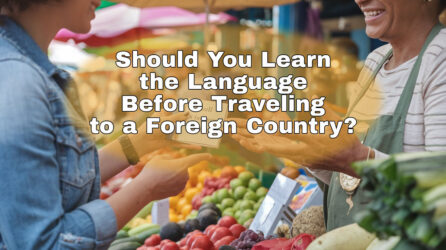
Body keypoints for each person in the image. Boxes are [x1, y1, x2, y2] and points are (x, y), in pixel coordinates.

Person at [0, 1, 211, 249]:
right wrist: (146, 187)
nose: (99, 0)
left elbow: (53, 182)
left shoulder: (26, 70)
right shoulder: (20, 81)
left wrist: (138, 143)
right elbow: (42, 244)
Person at [232, 0, 446, 231]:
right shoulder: (375, 61)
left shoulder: (440, 60)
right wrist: (310, 153)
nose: (360, 0)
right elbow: (351, 181)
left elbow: (440, 191)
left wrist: (357, 160)